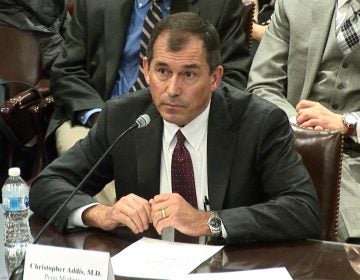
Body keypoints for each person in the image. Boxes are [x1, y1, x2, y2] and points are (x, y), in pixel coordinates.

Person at [30, 12, 320, 244]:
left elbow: (302, 210)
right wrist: (100, 213)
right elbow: (47, 184)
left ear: (215, 77)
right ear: (146, 68)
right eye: (163, 71)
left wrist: (207, 221)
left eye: (189, 74)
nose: (172, 89)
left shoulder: (258, 122)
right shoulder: (124, 117)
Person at [46, 0, 251, 158]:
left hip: (183, 121)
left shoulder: (219, 4)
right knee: (84, 166)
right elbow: (67, 69)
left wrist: (180, 118)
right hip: (96, 119)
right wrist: (100, 117)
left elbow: (232, 78)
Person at [247, 0, 360, 242]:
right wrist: (303, 126)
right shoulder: (295, 4)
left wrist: (348, 123)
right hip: (298, 147)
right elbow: (262, 84)